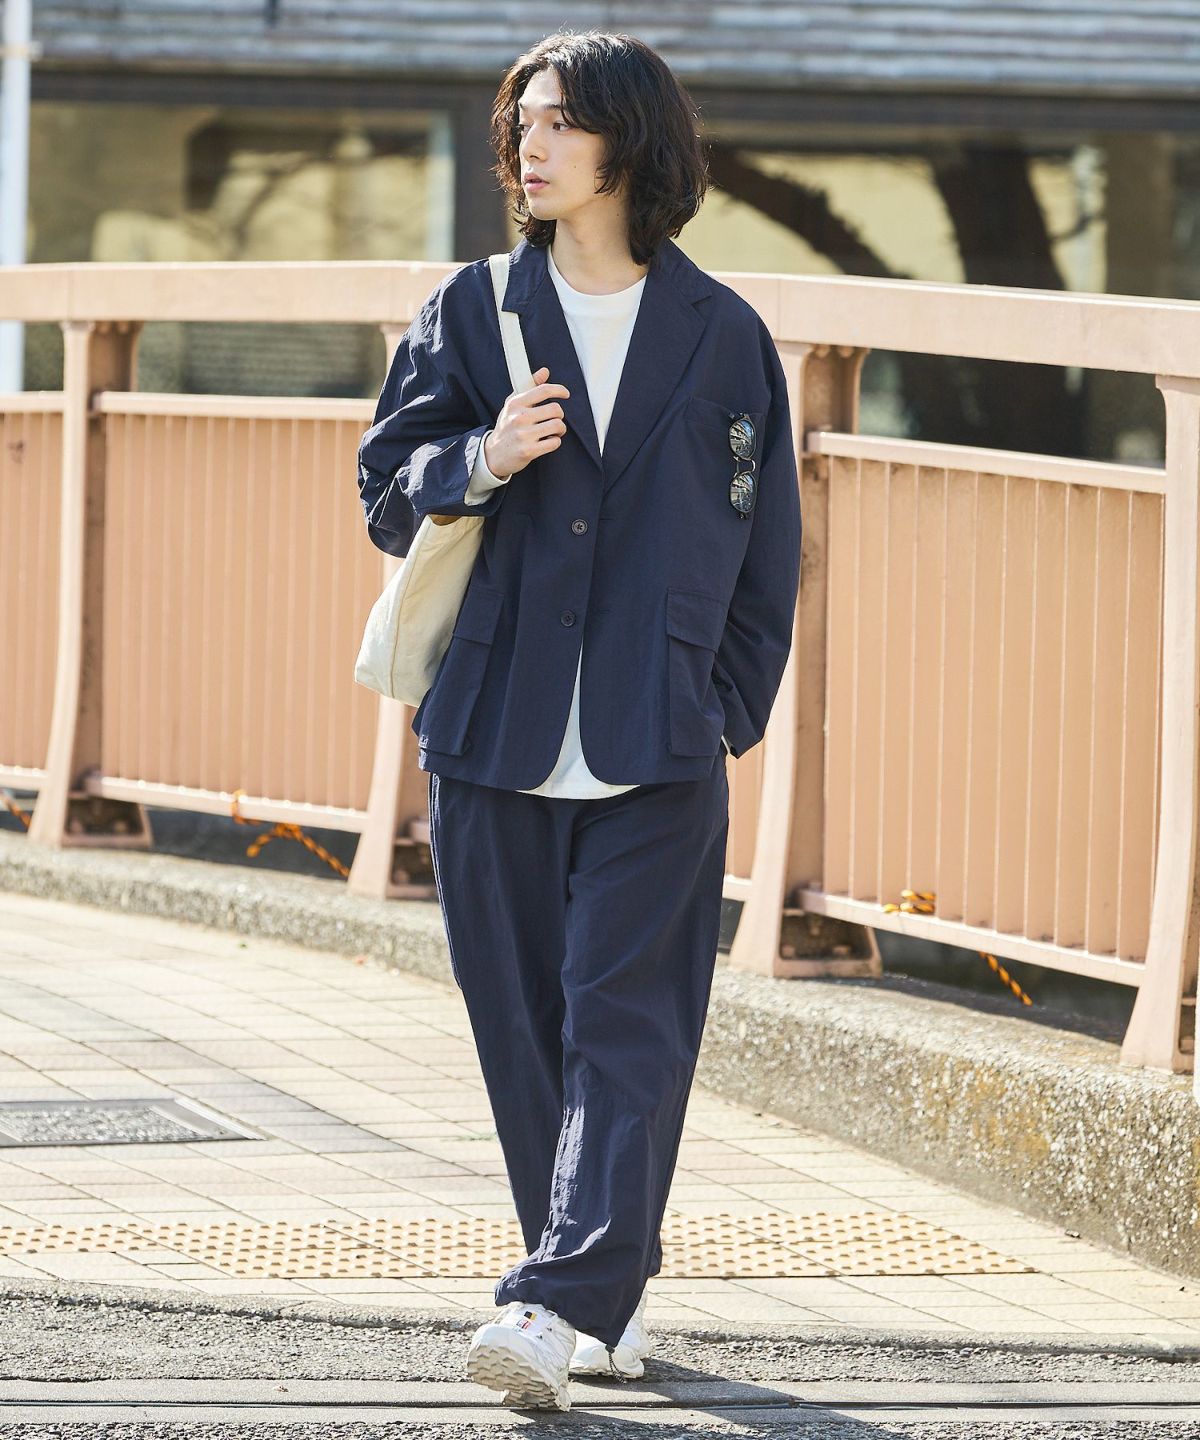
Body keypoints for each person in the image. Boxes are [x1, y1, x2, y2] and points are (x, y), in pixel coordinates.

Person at [356, 29, 801, 1412]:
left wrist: (723, 707)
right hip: (494, 722)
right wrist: (483, 458)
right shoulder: (474, 308)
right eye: (522, 122)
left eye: (559, 122)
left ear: (630, 142)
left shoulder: (723, 334)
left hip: (657, 735)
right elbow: (385, 489)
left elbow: (769, 542)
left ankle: (551, 1303)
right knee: (525, 1029)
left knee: (628, 1025)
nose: (529, 145)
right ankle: (602, 1283)